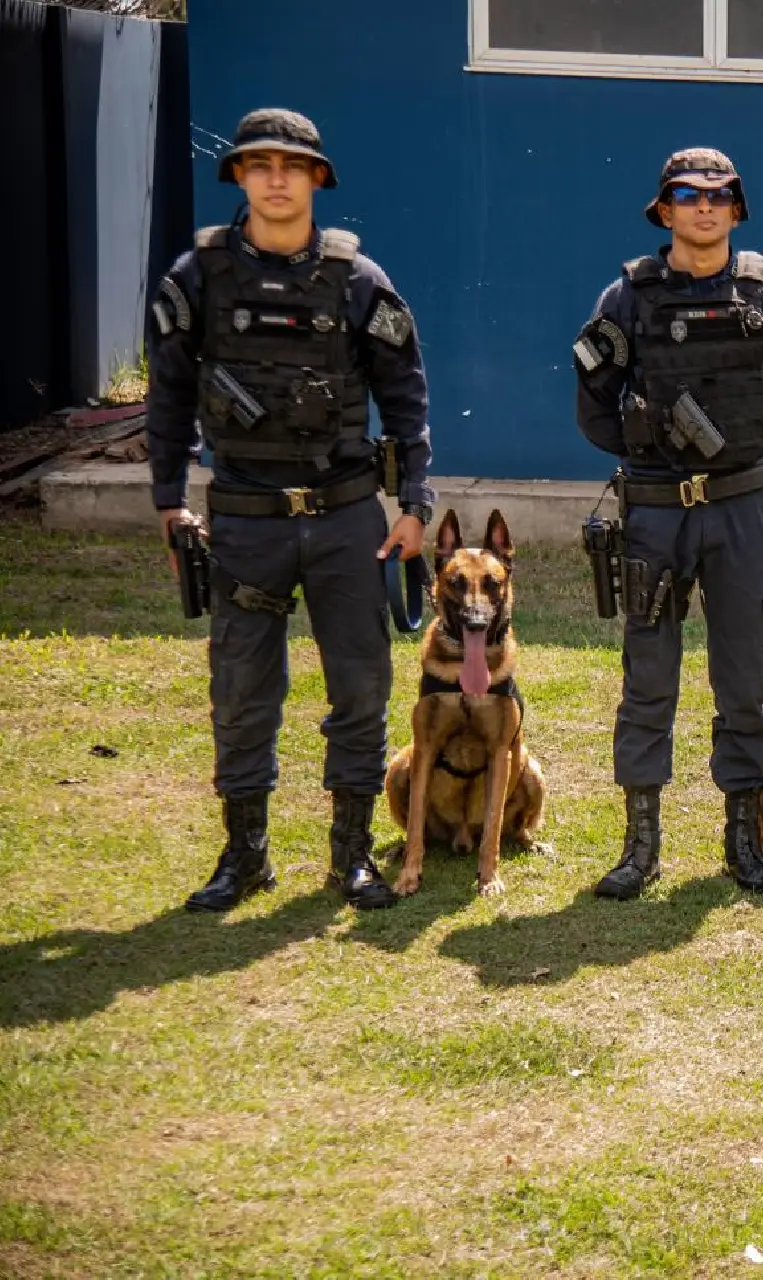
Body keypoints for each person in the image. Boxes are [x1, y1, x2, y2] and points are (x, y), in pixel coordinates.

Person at [146, 108, 434, 912]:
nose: (276, 178)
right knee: (242, 691)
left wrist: (415, 506)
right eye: (260, 164)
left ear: (316, 179)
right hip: (243, 519)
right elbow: (167, 398)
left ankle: (350, 860)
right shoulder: (197, 279)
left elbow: (405, 400)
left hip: (346, 519)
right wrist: (169, 503)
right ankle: (245, 857)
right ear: (238, 176)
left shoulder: (358, 281)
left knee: (361, 689)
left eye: (292, 165)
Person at [572, 147, 763, 900]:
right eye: (687, 193)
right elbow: (593, 405)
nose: (704, 206)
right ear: (665, 209)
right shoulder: (626, 299)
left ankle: (742, 840)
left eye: (719, 195)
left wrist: (745, 467)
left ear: (736, 210)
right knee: (649, 678)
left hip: (740, 510)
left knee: (744, 677)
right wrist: (648, 450)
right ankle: (640, 845)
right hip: (653, 513)